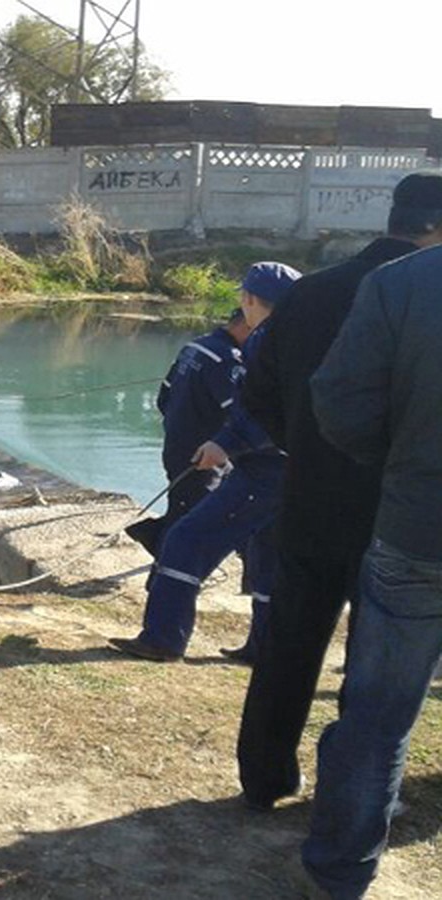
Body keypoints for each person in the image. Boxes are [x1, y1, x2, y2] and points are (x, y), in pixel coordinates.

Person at [234, 172, 442, 813]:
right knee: (375, 664)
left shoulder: (313, 292)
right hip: (399, 513)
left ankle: (264, 775)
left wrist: (301, 443)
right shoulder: (423, 299)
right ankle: (349, 794)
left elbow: (256, 391)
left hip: (311, 497)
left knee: (289, 640)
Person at [299, 227, 442, 900]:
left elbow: (340, 400)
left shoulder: (404, 282)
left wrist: (400, 464)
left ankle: (338, 874)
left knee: (379, 715)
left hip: (417, 529)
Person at [108, 262, 300, 663]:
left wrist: (225, 444)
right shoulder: (301, 340)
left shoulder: (259, 344)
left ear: (248, 299)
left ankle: (163, 638)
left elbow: (263, 413)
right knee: (268, 555)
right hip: (291, 471)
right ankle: (264, 647)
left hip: (262, 470)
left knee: (185, 540)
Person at [125, 307, 251, 557]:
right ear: (246, 325)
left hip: (179, 446)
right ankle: (160, 557)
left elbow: (164, 398)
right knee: (194, 519)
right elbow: (240, 414)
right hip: (203, 455)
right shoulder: (226, 360)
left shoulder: (196, 346)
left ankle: (155, 538)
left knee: (189, 507)